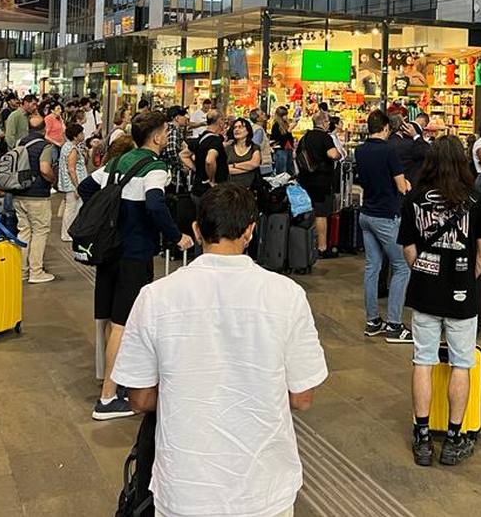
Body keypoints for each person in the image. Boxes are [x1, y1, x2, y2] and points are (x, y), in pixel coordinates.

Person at [112, 184, 327, 517]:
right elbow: (302, 397)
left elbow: (139, 399)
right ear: (250, 231)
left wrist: (190, 392)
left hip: (184, 488)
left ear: (197, 231)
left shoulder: (155, 296)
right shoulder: (287, 295)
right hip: (264, 489)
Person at [84, 110, 188, 419]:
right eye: (165, 131)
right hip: (135, 253)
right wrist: (176, 236)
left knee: (111, 319)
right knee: (124, 322)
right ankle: (107, 399)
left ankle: (112, 381)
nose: (167, 135)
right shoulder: (155, 167)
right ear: (156, 136)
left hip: (109, 250)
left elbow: (86, 188)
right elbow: (155, 203)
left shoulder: (118, 162)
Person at [399, 136, 481, 467]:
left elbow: (408, 247)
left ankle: (422, 437)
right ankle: (454, 438)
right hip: (462, 294)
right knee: (461, 363)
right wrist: (465, 279)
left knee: (423, 360)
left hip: (425, 291)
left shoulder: (414, 198)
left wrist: (424, 271)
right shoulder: (476, 200)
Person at [356, 109, 412, 343]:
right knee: (402, 267)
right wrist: (407, 183)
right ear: (386, 128)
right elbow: (401, 186)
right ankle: (395, 325)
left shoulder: (360, 150)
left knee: (372, 267)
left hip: (366, 214)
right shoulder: (389, 150)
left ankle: (373, 321)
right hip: (386, 216)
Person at [10, 115, 59, 284]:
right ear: (44, 129)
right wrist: (52, 179)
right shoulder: (45, 146)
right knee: (40, 231)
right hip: (37, 196)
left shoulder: (19, 143)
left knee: (24, 231)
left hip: (19, 193)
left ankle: (22, 270)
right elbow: (44, 169)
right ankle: (36, 271)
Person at [295, 110, 340, 255]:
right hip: (321, 181)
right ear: (325, 123)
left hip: (305, 179)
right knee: (321, 214)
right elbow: (333, 154)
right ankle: (322, 247)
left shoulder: (305, 137)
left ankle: (305, 245)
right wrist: (339, 155)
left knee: (307, 212)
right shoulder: (325, 137)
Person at [57, 123, 88, 243]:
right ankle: (67, 233)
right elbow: (71, 169)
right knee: (72, 209)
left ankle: (68, 232)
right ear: (75, 136)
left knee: (72, 208)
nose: (83, 135)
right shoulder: (72, 149)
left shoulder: (67, 146)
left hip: (69, 184)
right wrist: (77, 186)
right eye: (81, 133)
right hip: (73, 184)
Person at [190, 109, 228, 199]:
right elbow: (209, 160)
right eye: (224, 120)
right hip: (211, 194)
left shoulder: (201, 137)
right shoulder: (215, 141)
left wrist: (197, 169)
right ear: (220, 122)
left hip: (197, 189)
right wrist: (211, 179)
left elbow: (183, 155)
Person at [225, 117, 262, 189]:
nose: (236, 129)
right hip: (231, 188)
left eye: (240, 127)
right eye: (235, 127)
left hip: (250, 188)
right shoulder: (228, 148)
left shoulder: (254, 147)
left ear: (248, 130)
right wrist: (248, 168)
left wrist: (234, 165)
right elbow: (224, 169)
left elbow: (254, 164)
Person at [270, 105, 295, 176]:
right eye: (284, 115)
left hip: (289, 149)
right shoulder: (276, 126)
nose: (286, 117)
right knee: (282, 172)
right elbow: (278, 139)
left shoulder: (286, 124)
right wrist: (289, 131)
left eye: (286, 114)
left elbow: (289, 138)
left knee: (290, 171)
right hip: (281, 150)